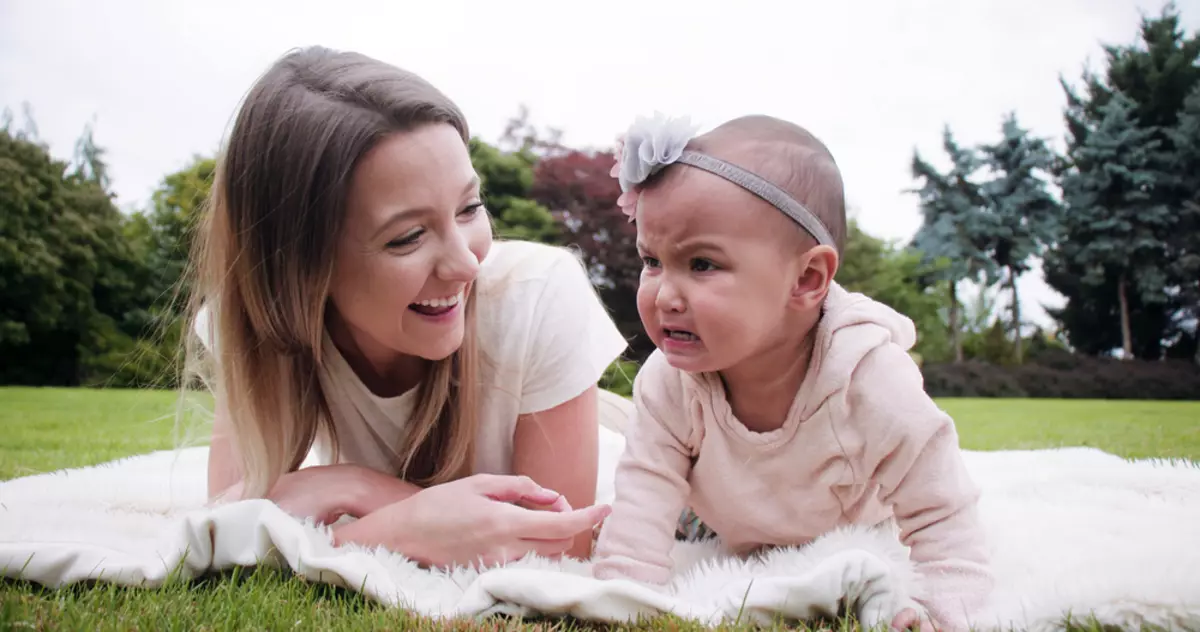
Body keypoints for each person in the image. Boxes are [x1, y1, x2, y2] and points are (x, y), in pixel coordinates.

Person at [184, 45, 628, 567]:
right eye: (409, 237)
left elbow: (559, 545)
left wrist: (360, 505)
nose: (466, 265)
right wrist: (370, 496)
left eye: (470, 207)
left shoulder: (538, 295)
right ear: (298, 265)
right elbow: (227, 527)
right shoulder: (255, 326)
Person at [590, 113, 994, 631]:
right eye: (651, 261)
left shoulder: (865, 373)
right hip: (721, 519)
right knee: (644, 517)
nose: (664, 295)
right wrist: (624, 596)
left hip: (843, 522)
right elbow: (646, 490)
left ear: (806, 278)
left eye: (702, 264)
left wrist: (947, 606)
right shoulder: (668, 380)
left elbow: (941, 507)